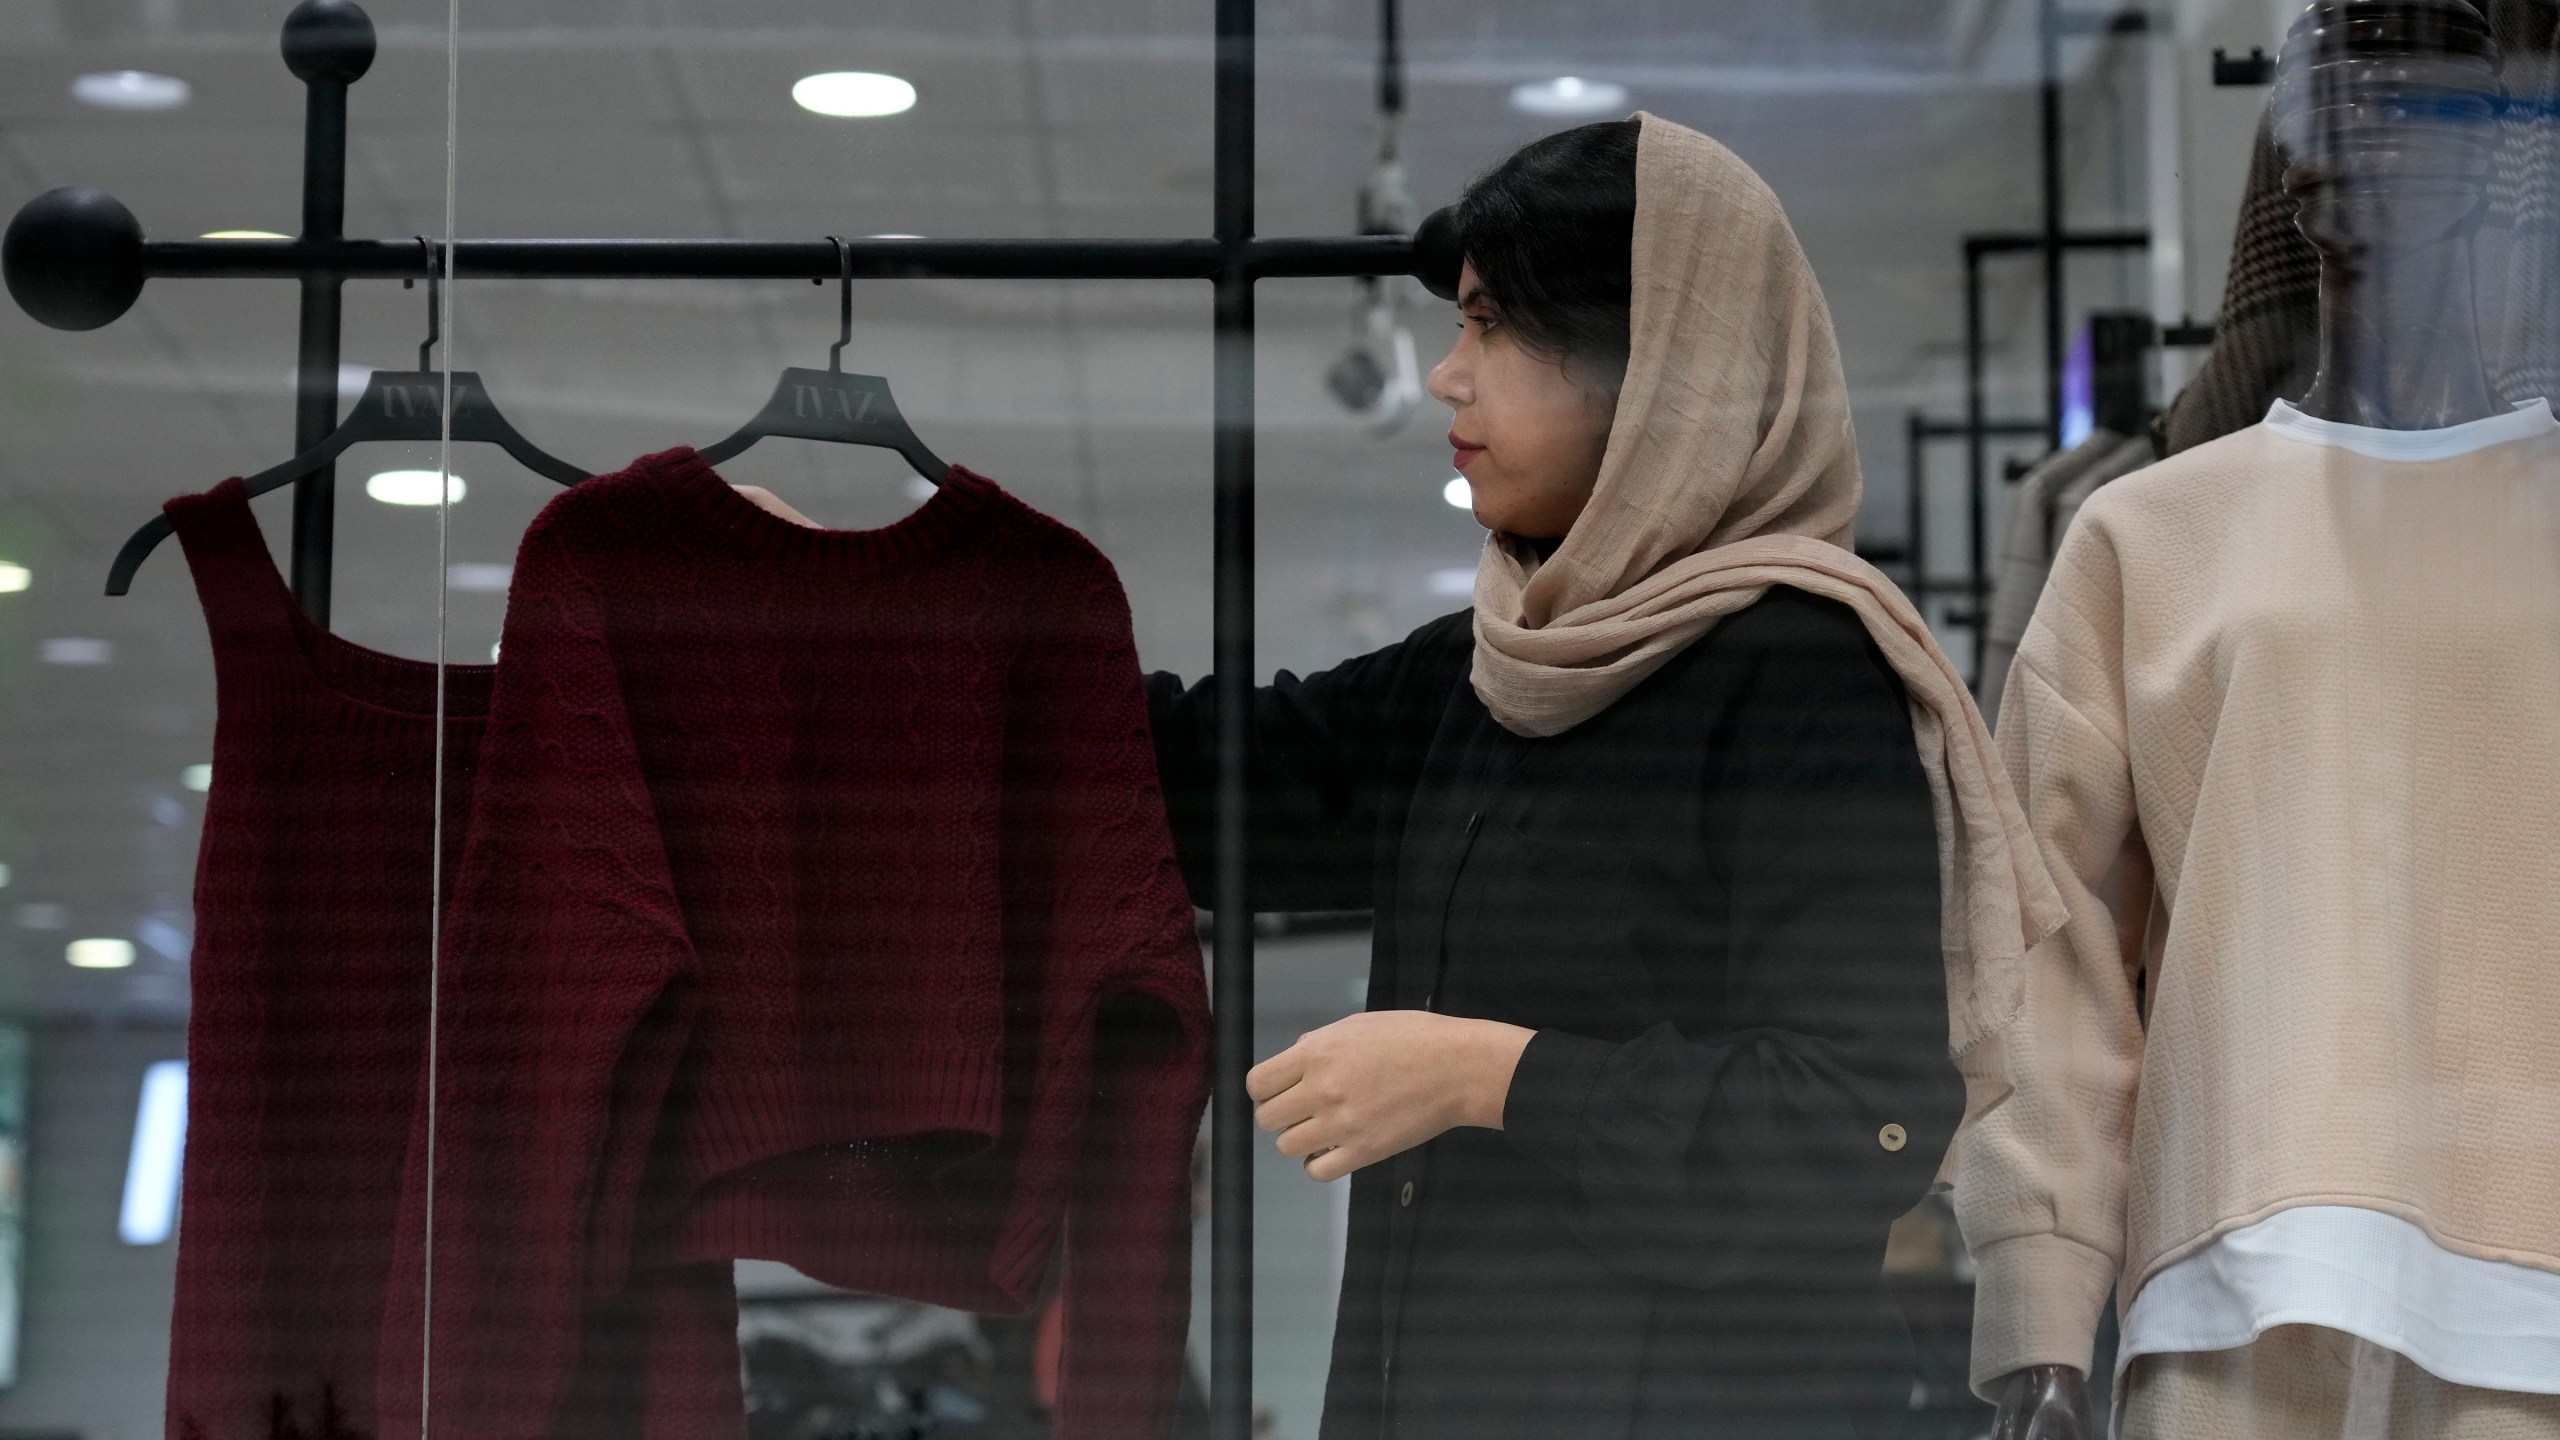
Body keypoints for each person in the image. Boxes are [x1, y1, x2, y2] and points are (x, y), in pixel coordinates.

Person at [1146, 114, 2062, 1439]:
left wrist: (1487, 1076)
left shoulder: (1802, 671)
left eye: (1495, 326)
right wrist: (862, 618)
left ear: (1657, 368)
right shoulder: (1483, 672)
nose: (1449, 378)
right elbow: (1196, 779)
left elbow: (1851, 1119)